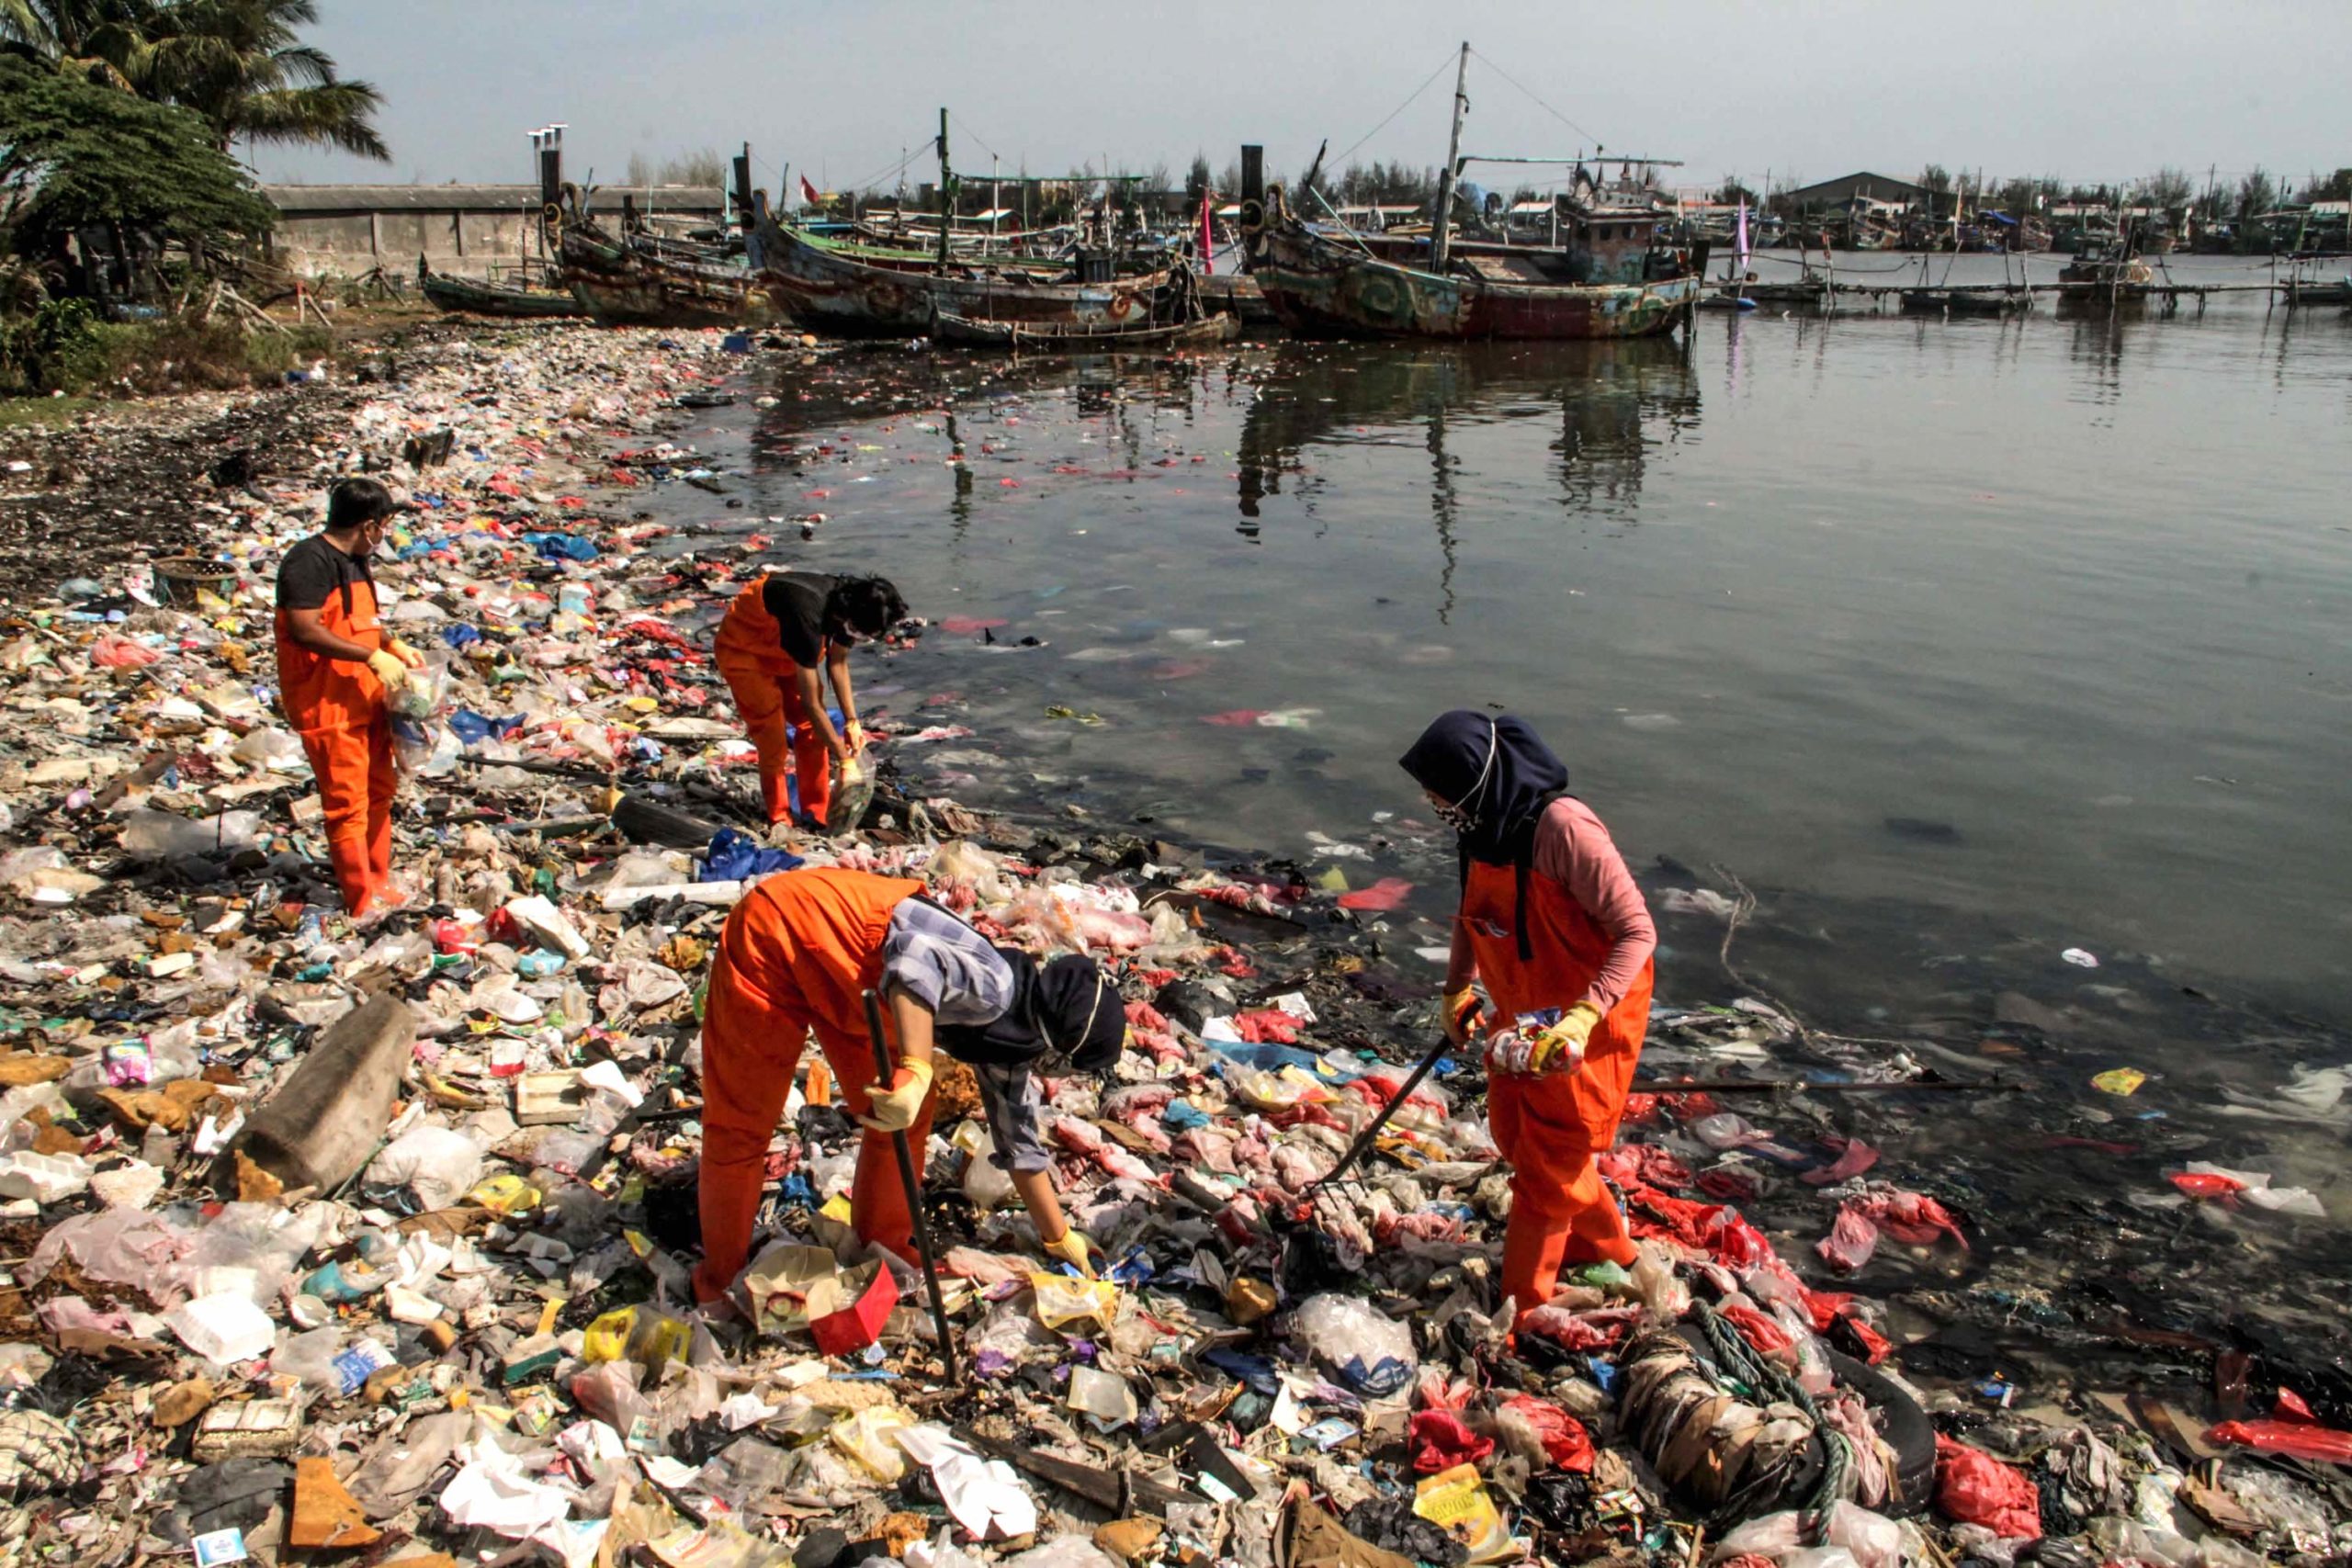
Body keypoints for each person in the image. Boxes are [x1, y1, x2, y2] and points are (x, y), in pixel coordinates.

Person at [694, 865, 1125, 1304]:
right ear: (1059, 1047)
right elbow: (915, 957)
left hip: (847, 979)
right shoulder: (995, 986)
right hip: (783, 929)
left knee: (906, 1116)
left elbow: (1020, 1145)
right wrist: (916, 1068)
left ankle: (880, 1244)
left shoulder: (1009, 1044)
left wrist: (1060, 1239)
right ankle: (718, 1281)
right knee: (742, 1126)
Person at [1398, 710, 1657, 1326]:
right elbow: (1472, 913)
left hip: (1590, 1020)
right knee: (1518, 1136)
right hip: (1524, 1013)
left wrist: (1582, 1016)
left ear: (1472, 779)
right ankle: (1614, 1250)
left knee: (1550, 1161)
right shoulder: (1480, 828)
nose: (1434, 804)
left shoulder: (1564, 831)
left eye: (1438, 792)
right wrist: (1456, 988)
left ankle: (1525, 1306)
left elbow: (1638, 930)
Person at [273, 478, 424, 918]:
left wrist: (391, 644)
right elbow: (305, 630)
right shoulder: (307, 561)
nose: (386, 536)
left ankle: (380, 881)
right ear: (370, 526)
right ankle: (360, 900)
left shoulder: (357, 560)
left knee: (380, 791)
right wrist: (371, 654)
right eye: (386, 527)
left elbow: (362, 622)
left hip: (367, 696)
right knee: (346, 805)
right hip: (328, 703)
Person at [713, 570, 905, 830]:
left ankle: (817, 812)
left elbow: (837, 663)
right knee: (772, 740)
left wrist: (851, 720)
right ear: (849, 618)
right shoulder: (807, 614)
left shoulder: (854, 606)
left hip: (785, 653)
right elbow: (811, 703)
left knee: (813, 733)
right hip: (745, 651)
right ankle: (779, 817)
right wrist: (843, 758)